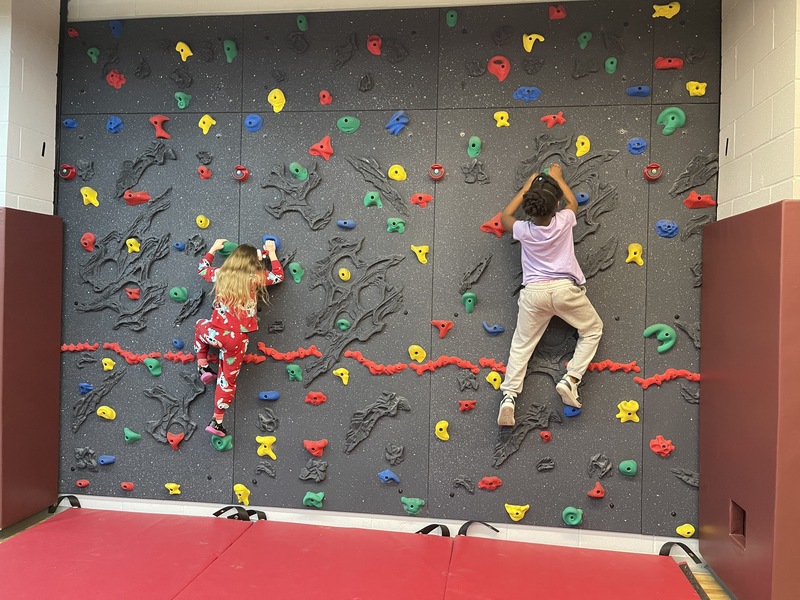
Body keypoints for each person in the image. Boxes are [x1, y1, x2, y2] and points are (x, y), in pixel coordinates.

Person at [497, 164, 603, 427]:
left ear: (529, 204)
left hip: (534, 293)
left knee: (522, 346)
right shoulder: (564, 220)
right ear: (556, 204)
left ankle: (509, 397)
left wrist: (526, 187)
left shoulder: (523, 229)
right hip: (565, 290)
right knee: (592, 330)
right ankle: (571, 379)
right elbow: (572, 203)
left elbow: (504, 217)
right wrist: (557, 178)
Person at [194, 238, 284, 437]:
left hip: (215, 334)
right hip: (236, 340)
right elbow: (278, 276)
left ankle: (202, 363)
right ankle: (217, 421)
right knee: (227, 380)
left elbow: (202, 269)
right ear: (253, 263)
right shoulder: (254, 278)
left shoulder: (221, 275)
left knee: (200, 326)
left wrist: (214, 249)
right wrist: (271, 253)